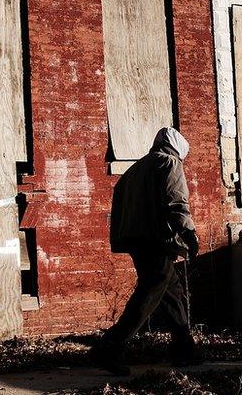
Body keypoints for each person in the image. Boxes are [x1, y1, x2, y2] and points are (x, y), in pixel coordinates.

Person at [94, 127, 200, 375]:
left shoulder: (135, 168)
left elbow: (120, 200)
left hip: (134, 238)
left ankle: (185, 348)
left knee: (171, 290)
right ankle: (110, 346)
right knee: (152, 289)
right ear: (179, 149)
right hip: (156, 239)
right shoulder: (169, 163)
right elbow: (176, 201)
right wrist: (188, 234)